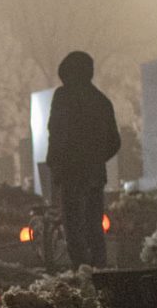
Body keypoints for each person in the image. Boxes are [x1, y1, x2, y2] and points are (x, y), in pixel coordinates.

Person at [45, 53, 121, 269]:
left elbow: (57, 133)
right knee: (94, 227)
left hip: (71, 174)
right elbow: (114, 141)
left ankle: (82, 273)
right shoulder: (102, 101)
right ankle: (99, 272)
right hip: (95, 176)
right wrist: (96, 159)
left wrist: (56, 164)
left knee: (74, 229)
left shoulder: (63, 97)